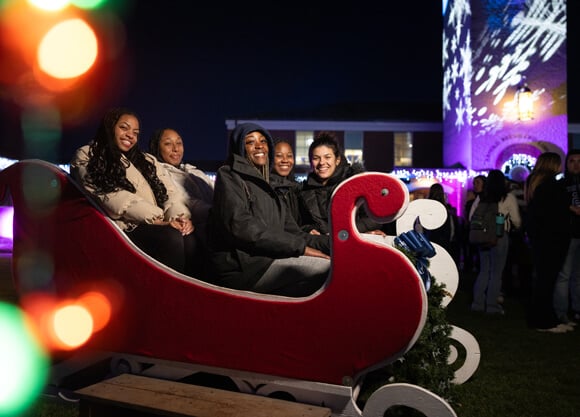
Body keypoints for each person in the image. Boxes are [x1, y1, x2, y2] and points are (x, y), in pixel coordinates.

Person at [205, 122, 331, 297]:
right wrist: (301, 249)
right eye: (250, 142)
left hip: (268, 259)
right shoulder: (229, 175)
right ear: (239, 147)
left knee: (335, 265)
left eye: (263, 141)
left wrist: (332, 243)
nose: (259, 146)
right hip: (244, 268)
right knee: (326, 270)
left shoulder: (268, 187)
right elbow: (242, 227)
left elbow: (296, 234)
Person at [70, 108, 198, 275]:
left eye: (136, 132)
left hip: (157, 222)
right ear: (110, 127)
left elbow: (170, 192)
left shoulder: (146, 160)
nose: (131, 135)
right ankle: (169, 293)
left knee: (189, 237)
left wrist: (179, 217)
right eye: (124, 128)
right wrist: (157, 219)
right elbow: (111, 196)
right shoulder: (88, 154)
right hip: (124, 229)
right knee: (170, 238)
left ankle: (193, 293)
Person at [298, 132, 385, 236]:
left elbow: (373, 219)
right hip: (322, 245)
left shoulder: (354, 182)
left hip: (354, 242)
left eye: (327, 157)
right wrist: (309, 229)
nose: (322, 162)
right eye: (316, 158)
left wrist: (347, 231)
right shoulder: (303, 190)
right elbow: (300, 223)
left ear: (337, 160)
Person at [524, 152, 572, 333]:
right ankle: (544, 321)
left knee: (544, 280)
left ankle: (546, 317)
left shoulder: (534, 183)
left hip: (541, 238)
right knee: (547, 281)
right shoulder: (552, 185)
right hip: (553, 239)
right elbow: (557, 213)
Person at [148, 127, 214, 252]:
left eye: (179, 143)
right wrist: (214, 212)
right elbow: (185, 200)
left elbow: (216, 192)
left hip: (212, 218)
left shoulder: (194, 171)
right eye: (168, 144)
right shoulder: (159, 172)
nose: (176, 148)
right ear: (157, 147)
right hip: (198, 222)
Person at [469, 170, 521, 315]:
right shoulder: (508, 197)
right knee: (496, 273)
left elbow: (471, 217)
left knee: (484, 270)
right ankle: (492, 306)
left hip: (483, 237)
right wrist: (516, 226)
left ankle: (477, 303)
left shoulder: (482, 197)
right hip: (500, 236)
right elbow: (516, 220)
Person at [553, 149, 580, 325]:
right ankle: (561, 312)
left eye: (579, 161)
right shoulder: (561, 184)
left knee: (578, 275)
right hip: (569, 234)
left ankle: (577, 309)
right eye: (572, 161)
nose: (576, 164)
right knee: (565, 274)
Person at [425, 183, 460, 265]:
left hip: (431, 238)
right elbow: (451, 228)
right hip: (444, 240)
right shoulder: (446, 209)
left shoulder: (428, 207)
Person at [270, 139, 301, 224]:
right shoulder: (266, 189)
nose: (285, 160)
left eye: (289, 156)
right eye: (279, 156)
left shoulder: (295, 189)